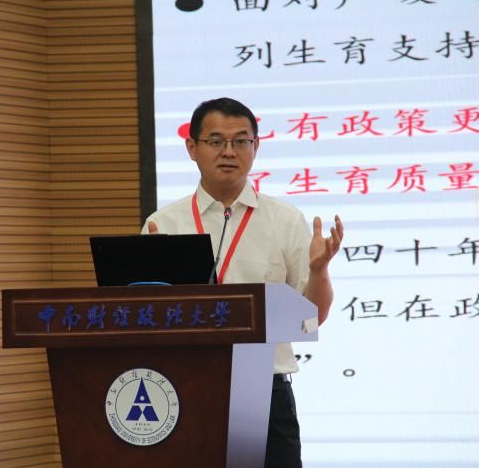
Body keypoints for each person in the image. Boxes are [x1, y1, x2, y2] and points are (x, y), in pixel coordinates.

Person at [141, 97, 343, 467]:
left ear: (256, 147)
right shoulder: (163, 225)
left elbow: (311, 317)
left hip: (265, 390)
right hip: (184, 389)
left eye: (241, 141)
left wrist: (319, 271)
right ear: (192, 148)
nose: (229, 152)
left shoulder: (284, 219)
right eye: (216, 141)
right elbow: (143, 319)